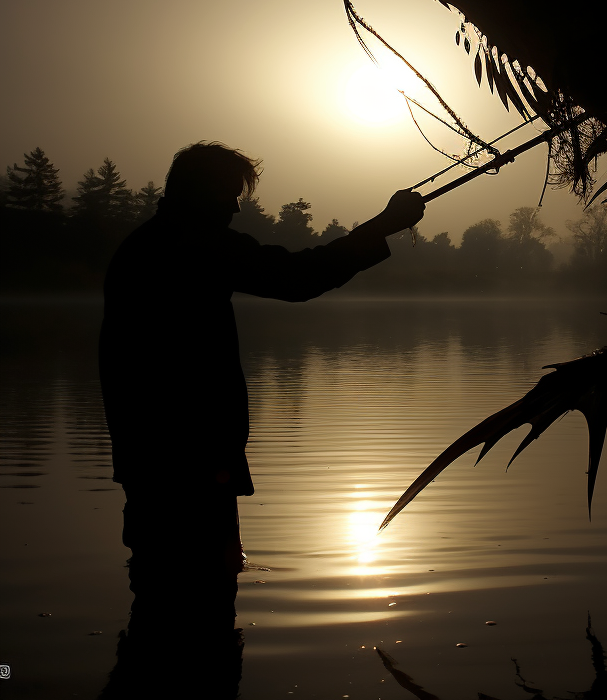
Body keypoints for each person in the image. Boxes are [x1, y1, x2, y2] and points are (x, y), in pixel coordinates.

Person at [97, 142, 423, 688]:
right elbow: (295, 277)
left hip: (159, 462)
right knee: (196, 611)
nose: (236, 208)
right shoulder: (189, 245)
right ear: (201, 193)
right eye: (230, 195)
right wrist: (383, 226)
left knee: (162, 611)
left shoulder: (150, 245)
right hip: (188, 465)